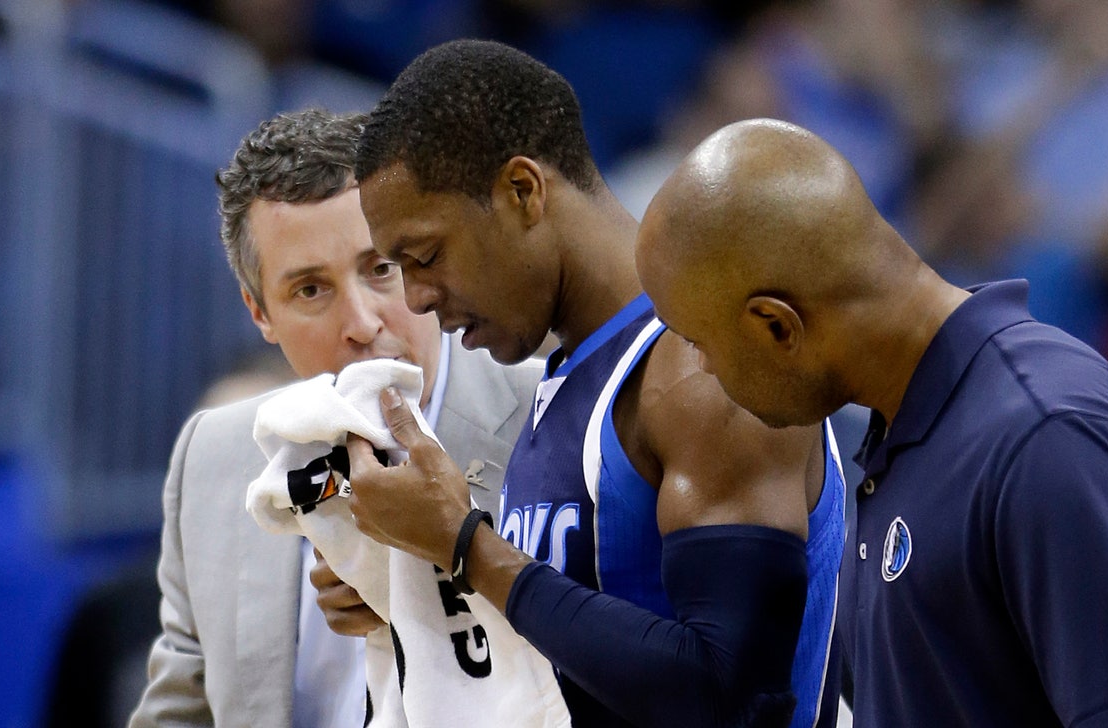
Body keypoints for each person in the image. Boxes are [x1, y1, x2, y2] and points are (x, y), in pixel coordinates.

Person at [633, 118, 1108, 727]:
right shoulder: (909, 436)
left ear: (776, 326)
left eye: (698, 340)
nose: (699, 368)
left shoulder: (1047, 435)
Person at [345, 40, 845, 727]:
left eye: (426, 255)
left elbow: (732, 695)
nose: (417, 296)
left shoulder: (704, 362)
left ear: (523, 192)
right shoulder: (566, 380)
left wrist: (465, 547)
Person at [127, 108, 541, 727]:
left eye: (381, 269)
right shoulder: (213, 455)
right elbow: (181, 708)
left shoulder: (552, 415)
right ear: (259, 311)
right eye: (311, 290)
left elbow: (607, 674)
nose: (363, 324)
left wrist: (415, 598)